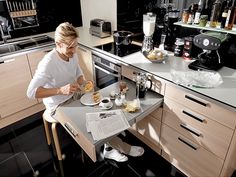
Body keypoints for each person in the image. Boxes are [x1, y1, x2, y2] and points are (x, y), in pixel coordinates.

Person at [27, 22, 144, 162]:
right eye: (70, 47)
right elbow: (31, 92)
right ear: (58, 44)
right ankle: (121, 147)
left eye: (76, 45)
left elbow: (77, 72)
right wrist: (60, 90)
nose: (74, 50)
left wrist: (83, 82)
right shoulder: (48, 63)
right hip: (58, 105)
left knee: (103, 107)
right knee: (94, 120)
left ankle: (108, 148)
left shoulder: (72, 54)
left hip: (73, 94)